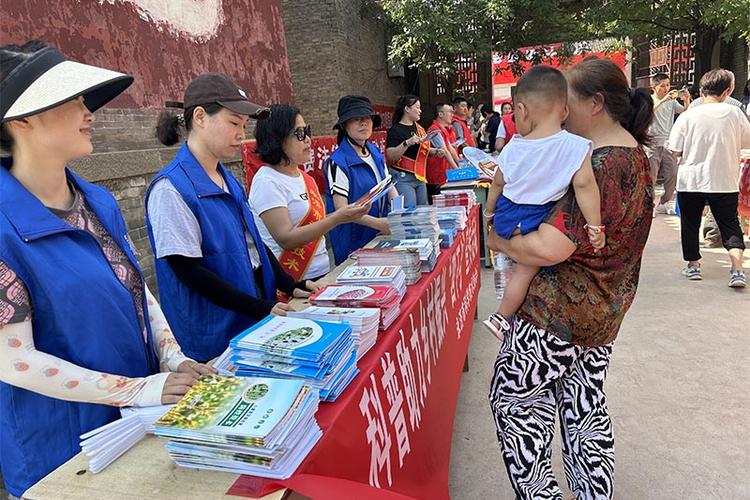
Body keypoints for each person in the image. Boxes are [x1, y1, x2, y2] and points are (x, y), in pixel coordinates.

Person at [0, 40, 212, 497]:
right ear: (19, 120)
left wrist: (173, 357)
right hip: (61, 451)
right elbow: (13, 361)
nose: (89, 111)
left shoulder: (98, 202)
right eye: (72, 100)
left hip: (137, 423)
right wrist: (135, 390)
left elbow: (138, 290)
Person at [487, 57, 654, 499]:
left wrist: (494, 239)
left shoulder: (596, 164)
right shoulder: (636, 157)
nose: (560, 111)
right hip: (605, 312)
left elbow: (551, 245)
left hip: (556, 313)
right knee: (584, 407)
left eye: (568, 101)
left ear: (595, 104)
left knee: (515, 402)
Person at [146, 73, 319, 363]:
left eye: (244, 125)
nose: (242, 134)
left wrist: (289, 285)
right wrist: (258, 307)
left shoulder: (228, 180)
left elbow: (254, 244)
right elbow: (188, 271)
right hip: (213, 338)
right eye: (233, 123)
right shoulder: (171, 188)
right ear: (200, 117)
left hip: (250, 322)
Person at [481, 66, 605, 339]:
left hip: (507, 214)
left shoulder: (513, 146)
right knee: (525, 270)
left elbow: (498, 184)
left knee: (517, 266)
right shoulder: (575, 146)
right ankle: (501, 317)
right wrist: (595, 226)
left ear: (522, 111)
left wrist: (489, 213)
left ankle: (505, 306)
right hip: (536, 217)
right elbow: (585, 186)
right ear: (564, 111)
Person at [248, 104, 369, 286]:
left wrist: (345, 215)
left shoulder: (306, 178)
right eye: (299, 134)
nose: (307, 140)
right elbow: (286, 239)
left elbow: (316, 224)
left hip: (321, 273)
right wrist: (337, 218)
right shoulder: (267, 181)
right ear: (277, 138)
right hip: (291, 282)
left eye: (307, 131)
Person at [668, 69, 750, 288]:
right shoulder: (735, 114)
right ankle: (737, 270)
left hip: (691, 179)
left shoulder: (689, 115)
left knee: (690, 223)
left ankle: (693, 266)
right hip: (723, 179)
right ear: (728, 90)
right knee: (730, 224)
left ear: (702, 90)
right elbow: (746, 141)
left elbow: (674, 149)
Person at [325, 95, 398, 265]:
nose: (364, 123)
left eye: (367, 118)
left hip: (380, 235)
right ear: (344, 125)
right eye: (356, 119)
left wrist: (400, 213)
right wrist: (379, 224)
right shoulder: (337, 162)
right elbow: (341, 209)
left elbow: (388, 185)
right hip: (354, 242)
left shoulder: (374, 151)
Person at [647, 73, 690, 215]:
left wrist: (686, 100)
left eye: (668, 85)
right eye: (663, 85)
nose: (666, 88)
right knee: (651, 177)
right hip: (652, 142)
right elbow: (649, 112)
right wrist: (664, 100)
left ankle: (664, 203)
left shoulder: (672, 102)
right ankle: (650, 206)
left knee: (672, 174)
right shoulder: (649, 100)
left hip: (668, 143)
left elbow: (685, 113)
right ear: (654, 86)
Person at [385, 94, 433, 207]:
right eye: (417, 107)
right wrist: (407, 143)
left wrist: (435, 151)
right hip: (403, 178)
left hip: (420, 177)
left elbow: (421, 151)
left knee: (423, 212)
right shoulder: (395, 130)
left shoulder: (419, 129)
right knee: (409, 214)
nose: (420, 111)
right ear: (407, 109)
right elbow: (391, 157)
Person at [426, 103, 460, 199]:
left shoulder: (443, 129)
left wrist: (461, 165)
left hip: (445, 174)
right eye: (449, 112)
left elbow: (451, 149)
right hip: (436, 177)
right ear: (440, 114)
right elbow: (445, 151)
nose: (452, 114)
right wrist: (457, 170)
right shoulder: (434, 130)